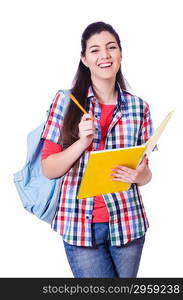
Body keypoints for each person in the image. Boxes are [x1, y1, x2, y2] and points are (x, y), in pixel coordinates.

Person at [41, 21, 154, 278]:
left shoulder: (139, 108)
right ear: (84, 59)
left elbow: (146, 174)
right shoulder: (66, 101)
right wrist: (82, 142)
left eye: (111, 47)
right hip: (81, 227)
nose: (104, 55)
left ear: (120, 54)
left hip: (128, 224)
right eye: (94, 50)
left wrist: (139, 176)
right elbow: (49, 169)